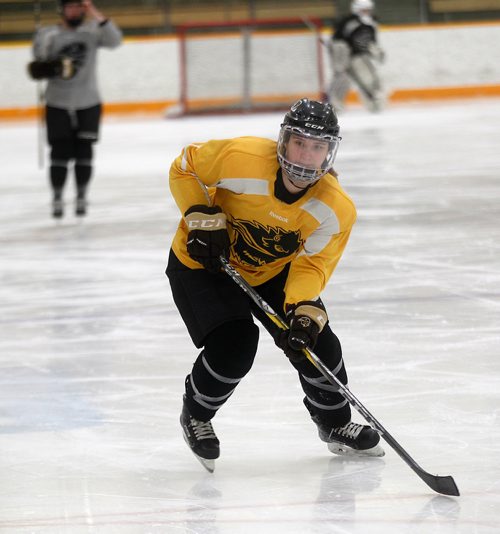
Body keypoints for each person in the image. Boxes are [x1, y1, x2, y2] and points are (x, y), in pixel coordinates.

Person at [166, 98, 384, 472]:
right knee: (235, 345)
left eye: (317, 147)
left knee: (317, 344)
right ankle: (196, 414)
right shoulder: (242, 157)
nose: (305, 156)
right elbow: (184, 167)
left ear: (330, 153)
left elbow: (312, 263)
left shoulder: (335, 208)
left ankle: (333, 423)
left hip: (272, 272)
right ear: (283, 141)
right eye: (299, 142)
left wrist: (302, 310)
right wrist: (199, 214)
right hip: (203, 263)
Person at [27, 0, 122, 218]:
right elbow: (38, 58)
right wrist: (43, 66)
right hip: (57, 101)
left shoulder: (91, 32)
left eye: (79, 7)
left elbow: (115, 40)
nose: (75, 11)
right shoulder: (48, 33)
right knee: (59, 151)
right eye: (71, 7)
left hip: (88, 100)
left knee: (84, 150)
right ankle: (58, 196)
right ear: (62, 10)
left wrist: (94, 11)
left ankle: (81, 195)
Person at [328, 0, 385, 112]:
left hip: (358, 55)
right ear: (357, 10)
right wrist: (340, 56)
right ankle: (335, 104)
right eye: (364, 10)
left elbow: (371, 42)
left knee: (368, 77)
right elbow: (337, 40)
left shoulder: (372, 23)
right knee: (342, 78)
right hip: (342, 52)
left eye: (369, 10)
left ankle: (373, 101)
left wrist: (375, 50)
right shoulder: (347, 22)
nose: (367, 12)